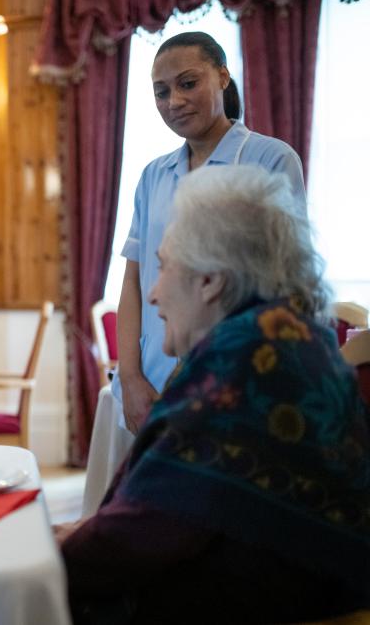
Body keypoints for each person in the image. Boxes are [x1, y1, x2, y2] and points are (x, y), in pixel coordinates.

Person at [62, 165, 370, 624]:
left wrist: (37, 556)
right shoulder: (291, 337)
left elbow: (138, 538)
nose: (152, 294)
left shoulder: (242, 365)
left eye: (163, 268)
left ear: (210, 280)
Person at [114, 31, 306, 434]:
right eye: (161, 92)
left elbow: (283, 283)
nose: (174, 101)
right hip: (150, 378)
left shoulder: (268, 159)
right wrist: (129, 377)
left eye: (188, 83)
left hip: (234, 375)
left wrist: (194, 372)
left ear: (222, 76)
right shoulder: (153, 175)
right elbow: (133, 279)